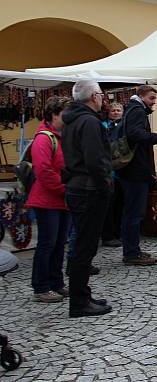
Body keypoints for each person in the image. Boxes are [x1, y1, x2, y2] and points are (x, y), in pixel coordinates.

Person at [60, 80, 113, 317]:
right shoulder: (89, 122)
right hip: (89, 188)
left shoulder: (72, 120)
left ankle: (82, 294)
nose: (103, 99)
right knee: (85, 246)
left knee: (83, 244)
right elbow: (94, 160)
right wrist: (104, 186)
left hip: (78, 185)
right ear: (93, 96)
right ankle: (79, 302)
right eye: (101, 95)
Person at [116, 85, 157, 266]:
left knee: (132, 212)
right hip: (135, 171)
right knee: (134, 213)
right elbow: (135, 134)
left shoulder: (132, 109)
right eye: (152, 98)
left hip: (132, 170)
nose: (153, 103)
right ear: (141, 96)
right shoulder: (137, 110)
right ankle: (131, 253)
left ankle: (132, 249)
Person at [28, 96, 70, 303]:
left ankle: (56, 283)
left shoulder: (62, 136)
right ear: (55, 114)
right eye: (65, 114)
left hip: (62, 200)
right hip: (47, 200)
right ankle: (41, 286)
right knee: (47, 243)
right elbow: (44, 170)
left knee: (59, 243)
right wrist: (64, 189)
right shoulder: (44, 138)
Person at [101, 102, 124, 247]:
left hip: (121, 172)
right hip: (109, 172)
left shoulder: (124, 126)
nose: (115, 112)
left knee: (120, 206)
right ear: (108, 112)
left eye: (118, 110)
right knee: (109, 206)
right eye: (113, 110)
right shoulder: (103, 126)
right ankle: (108, 235)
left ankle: (118, 233)